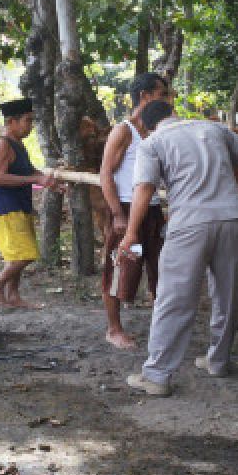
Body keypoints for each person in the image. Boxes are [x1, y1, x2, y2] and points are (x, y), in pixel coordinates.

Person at [119, 101, 238, 396]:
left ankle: (156, 375)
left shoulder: (152, 143)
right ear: (173, 114)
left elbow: (144, 188)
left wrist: (130, 232)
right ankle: (219, 361)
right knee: (227, 293)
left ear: (145, 124)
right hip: (232, 220)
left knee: (174, 298)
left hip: (189, 224)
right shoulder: (214, 129)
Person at [98, 72, 171, 349]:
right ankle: (114, 328)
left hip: (151, 210)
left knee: (159, 267)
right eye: (162, 94)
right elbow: (106, 174)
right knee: (121, 266)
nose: (167, 100)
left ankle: (161, 326)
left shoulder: (157, 131)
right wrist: (118, 214)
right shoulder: (124, 131)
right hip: (127, 209)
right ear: (145, 96)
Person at [0, 98, 60, 308]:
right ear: (12, 121)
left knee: (18, 254)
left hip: (20, 205)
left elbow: (28, 171)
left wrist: (46, 180)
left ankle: (14, 296)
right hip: (6, 208)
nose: (30, 125)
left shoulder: (18, 144)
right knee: (25, 255)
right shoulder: (3, 144)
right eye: (27, 120)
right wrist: (35, 179)